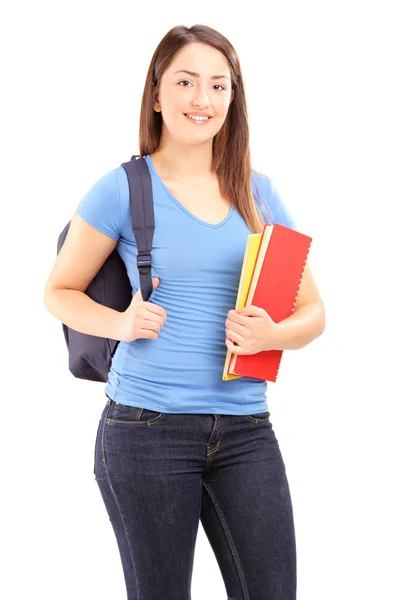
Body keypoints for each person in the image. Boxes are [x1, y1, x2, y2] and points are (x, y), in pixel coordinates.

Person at [43, 23, 325, 600]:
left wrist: (275, 332)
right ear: (156, 93)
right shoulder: (123, 189)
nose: (203, 99)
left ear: (233, 97)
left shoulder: (259, 193)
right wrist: (121, 324)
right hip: (145, 429)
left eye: (219, 86)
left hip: (246, 430)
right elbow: (59, 292)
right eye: (186, 81)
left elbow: (313, 311)